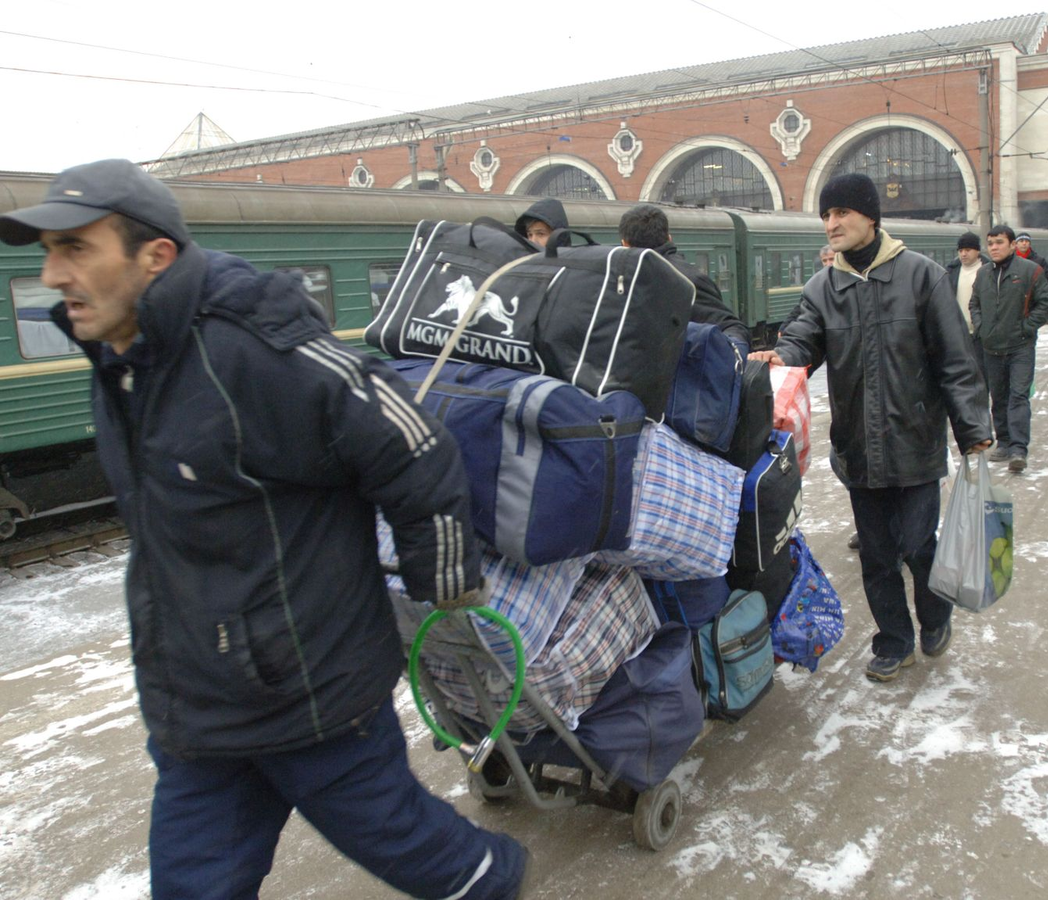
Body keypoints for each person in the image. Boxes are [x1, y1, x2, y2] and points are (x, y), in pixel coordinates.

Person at [0, 159, 528, 900]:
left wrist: (441, 576)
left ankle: (495, 881)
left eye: (76, 249)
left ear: (155, 258)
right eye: (50, 253)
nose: (53, 275)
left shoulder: (252, 348)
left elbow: (412, 440)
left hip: (310, 696)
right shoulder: (121, 357)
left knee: (421, 855)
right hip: (196, 705)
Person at [750, 173, 991, 682]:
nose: (831, 225)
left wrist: (972, 428)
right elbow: (801, 340)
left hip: (915, 441)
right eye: (826, 216)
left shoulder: (922, 276)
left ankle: (935, 616)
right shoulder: (824, 287)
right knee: (878, 555)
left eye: (841, 214)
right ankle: (894, 641)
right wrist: (781, 358)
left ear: (870, 218)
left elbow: (955, 361)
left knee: (918, 545)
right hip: (857, 447)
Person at [969, 225, 1048, 474]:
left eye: (999, 242)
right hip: (991, 347)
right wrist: (981, 325)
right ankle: (1004, 441)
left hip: (1020, 347)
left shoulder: (1030, 271)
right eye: (990, 243)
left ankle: (1018, 448)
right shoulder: (983, 274)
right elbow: (974, 303)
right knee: (999, 397)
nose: (994, 247)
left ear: (1013, 245)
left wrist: (1026, 328)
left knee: (1018, 396)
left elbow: (1046, 303)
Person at [617, 203, 752, 346]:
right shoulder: (689, 279)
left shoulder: (613, 281)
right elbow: (731, 329)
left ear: (624, 244)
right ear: (669, 238)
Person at [946, 231, 987, 373]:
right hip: (958, 332)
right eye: (961, 250)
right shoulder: (951, 271)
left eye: (968, 250)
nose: (963, 254)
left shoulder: (988, 269)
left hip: (981, 333)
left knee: (981, 372)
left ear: (977, 251)